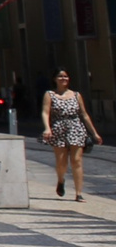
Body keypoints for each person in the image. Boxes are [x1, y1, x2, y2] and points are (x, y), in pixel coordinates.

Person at [43, 70, 102, 199]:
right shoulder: (50, 94)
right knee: (61, 162)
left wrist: (94, 133)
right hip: (58, 128)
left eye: (65, 76)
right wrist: (47, 128)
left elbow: (84, 115)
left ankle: (78, 193)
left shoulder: (76, 95)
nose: (63, 78)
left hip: (76, 128)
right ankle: (61, 180)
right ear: (54, 79)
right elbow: (45, 112)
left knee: (76, 161)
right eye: (60, 76)